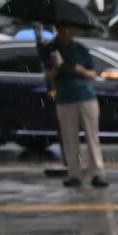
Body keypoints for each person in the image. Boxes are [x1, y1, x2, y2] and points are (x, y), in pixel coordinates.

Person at [45, 22, 107, 188]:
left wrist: (81, 70)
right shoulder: (51, 49)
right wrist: (56, 68)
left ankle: (97, 173)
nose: (65, 32)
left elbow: (92, 73)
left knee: (91, 136)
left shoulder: (80, 48)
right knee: (69, 137)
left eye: (67, 30)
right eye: (61, 29)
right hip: (65, 98)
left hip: (86, 96)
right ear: (57, 29)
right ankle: (75, 173)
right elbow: (48, 76)